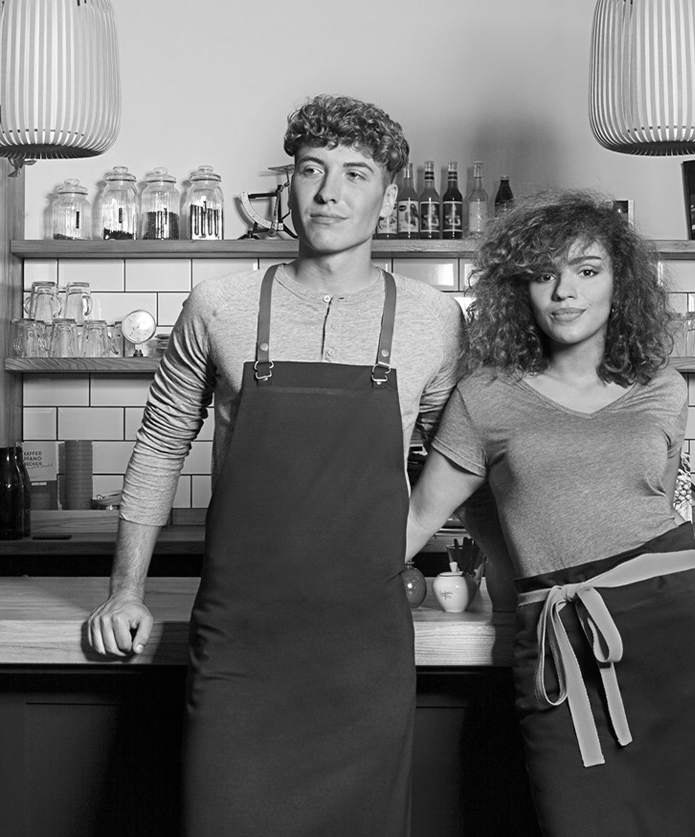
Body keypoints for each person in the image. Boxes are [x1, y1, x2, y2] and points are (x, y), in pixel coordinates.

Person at [83, 95, 465, 836]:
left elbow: (461, 459)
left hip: (365, 647)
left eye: (356, 174)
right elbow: (159, 446)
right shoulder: (218, 306)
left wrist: (494, 580)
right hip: (241, 638)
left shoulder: (434, 319)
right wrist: (125, 592)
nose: (329, 193)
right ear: (288, 186)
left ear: (388, 199)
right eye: (312, 170)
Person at [405, 189, 695, 836]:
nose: (564, 292)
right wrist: (324, 599)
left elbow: (663, 520)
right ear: (519, 289)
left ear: (619, 282)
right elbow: (415, 522)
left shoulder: (663, 388)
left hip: (680, 629)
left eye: (586, 270)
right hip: (561, 639)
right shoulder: (483, 397)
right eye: (544, 274)